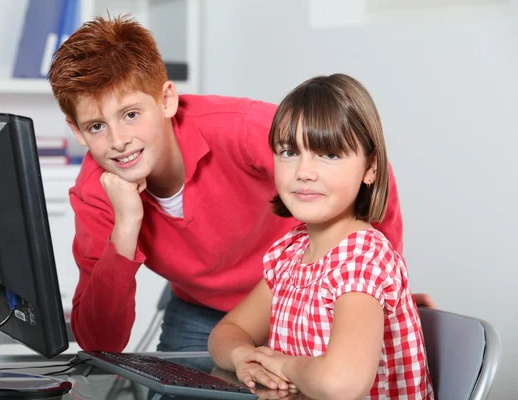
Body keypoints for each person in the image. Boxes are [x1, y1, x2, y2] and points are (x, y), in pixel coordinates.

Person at [47, 15, 433, 355]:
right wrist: (126, 224)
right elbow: (101, 342)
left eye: (131, 114)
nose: (118, 140)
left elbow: (359, 170)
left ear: (166, 99)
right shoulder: (96, 191)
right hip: (201, 313)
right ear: (76, 131)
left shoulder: (244, 128)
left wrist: (381, 289)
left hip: (300, 295)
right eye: (96, 126)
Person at [207, 74, 434, 399]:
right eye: (288, 152)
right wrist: (244, 357)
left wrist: (284, 366)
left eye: (329, 155)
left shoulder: (362, 260)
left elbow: (342, 383)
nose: (303, 171)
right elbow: (226, 333)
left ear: (370, 168)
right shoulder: (291, 253)